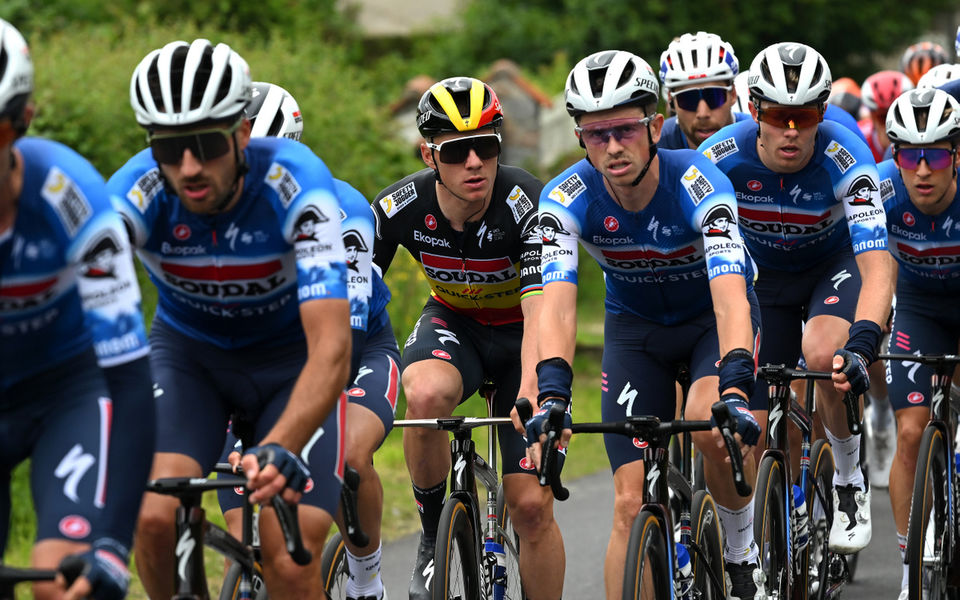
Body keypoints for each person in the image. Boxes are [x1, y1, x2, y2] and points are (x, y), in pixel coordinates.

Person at [108, 40, 352, 599]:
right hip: (191, 360)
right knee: (152, 516)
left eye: (207, 145)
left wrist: (284, 443)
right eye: (170, 150)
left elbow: (333, 348)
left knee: (288, 556)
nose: (189, 167)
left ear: (243, 133)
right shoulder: (134, 192)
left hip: (293, 363)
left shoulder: (296, 182)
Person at [536, 49, 763, 599]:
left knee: (708, 424)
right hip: (635, 332)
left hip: (710, 321)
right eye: (596, 134)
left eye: (625, 130)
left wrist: (734, 383)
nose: (612, 147)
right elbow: (558, 307)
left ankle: (740, 549)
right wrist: (552, 394)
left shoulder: (700, 183)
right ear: (580, 139)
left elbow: (732, 298)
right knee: (628, 502)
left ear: (654, 126)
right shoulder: (564, 199)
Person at [699, 42, 896, 557]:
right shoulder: (718, 156)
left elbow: (878, 264)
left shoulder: (848, 155)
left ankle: (850, 478)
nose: (792, 131)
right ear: (754, 111)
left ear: (823, 113)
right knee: (761, 431)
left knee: (824, 353)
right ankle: (787, 508)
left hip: (831, 269)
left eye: (804, 116)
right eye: (779, 116)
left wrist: (865, 342)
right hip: (763, 282)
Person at [371, 76, 558, 600]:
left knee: (529, 507)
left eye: (487, 145)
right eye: (456, 150)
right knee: (425, 394)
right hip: (456, 324)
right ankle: (433, 534)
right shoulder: (397, 207)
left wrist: (531, 389)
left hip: (525, 331)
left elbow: (540, 309)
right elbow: (354, 297)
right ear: (429, 155)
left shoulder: (525, 201)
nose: (474, 162)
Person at [216, 82, 399, 600]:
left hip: (353, 350)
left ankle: (367, 578)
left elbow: (348, 341)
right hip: (265, 361)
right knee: (247, 543)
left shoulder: (343, 211)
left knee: (353, 456)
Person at [0, 18, 153, 600]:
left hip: (67, 390)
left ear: (21, 123)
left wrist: (113, 546)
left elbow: (132, 381)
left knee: (62, 584)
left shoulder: (73, 197)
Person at [876, 87, 960, 600]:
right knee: (910, 431)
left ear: (957, 155)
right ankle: (912, 561)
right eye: (910, 154)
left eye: (935, 155)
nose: (922, 169)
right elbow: (869, 268)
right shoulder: (883, 191)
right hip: (917, 309)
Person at [657, 31, 751, 150]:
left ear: (733, 94)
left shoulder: (759, 135)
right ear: (671, 101)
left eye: (714, 97)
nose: (702, 114)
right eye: (688, 99)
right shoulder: (655, 145)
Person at [859, 70, 915, 162]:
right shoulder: (859, 138)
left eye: (898, 115)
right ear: (872, 117)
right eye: (883, 117)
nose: (890, 123)